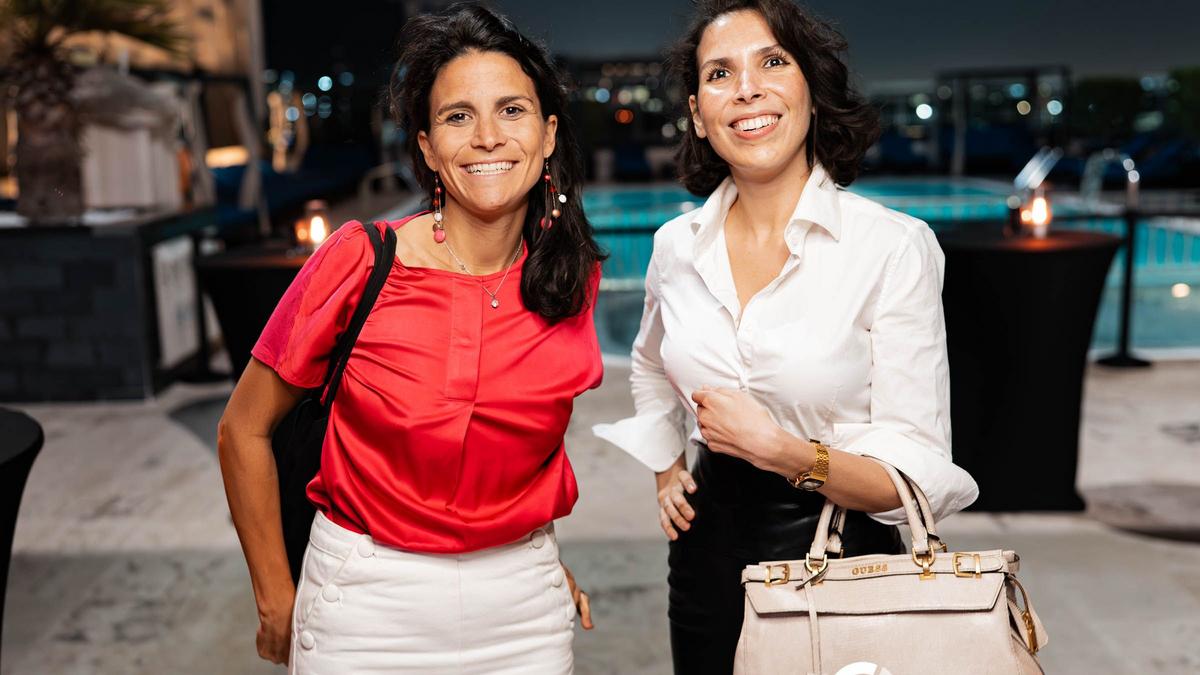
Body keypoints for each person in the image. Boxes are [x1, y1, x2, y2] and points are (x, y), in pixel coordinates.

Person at [592, 1, 980, 672]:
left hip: (846, 560)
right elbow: (650, 364)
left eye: (772, 62)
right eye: (720, 73)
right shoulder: (675, 247)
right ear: (698, 114)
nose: (747, 89)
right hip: (706, 562)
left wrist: (782, 450)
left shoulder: (890, 247)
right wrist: (666, 469)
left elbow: (916, 475)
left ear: (812, 90)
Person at [217, 4, 604, 672]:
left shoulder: (570, 278)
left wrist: (532, 566)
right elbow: (242, 430)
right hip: (366, 609)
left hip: (523, 615)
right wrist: (275, 597)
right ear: (427, 147)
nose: (487, 137)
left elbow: (516, 455)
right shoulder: (360, 259)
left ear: (547, 135)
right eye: (458, 117)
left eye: (511, 111)